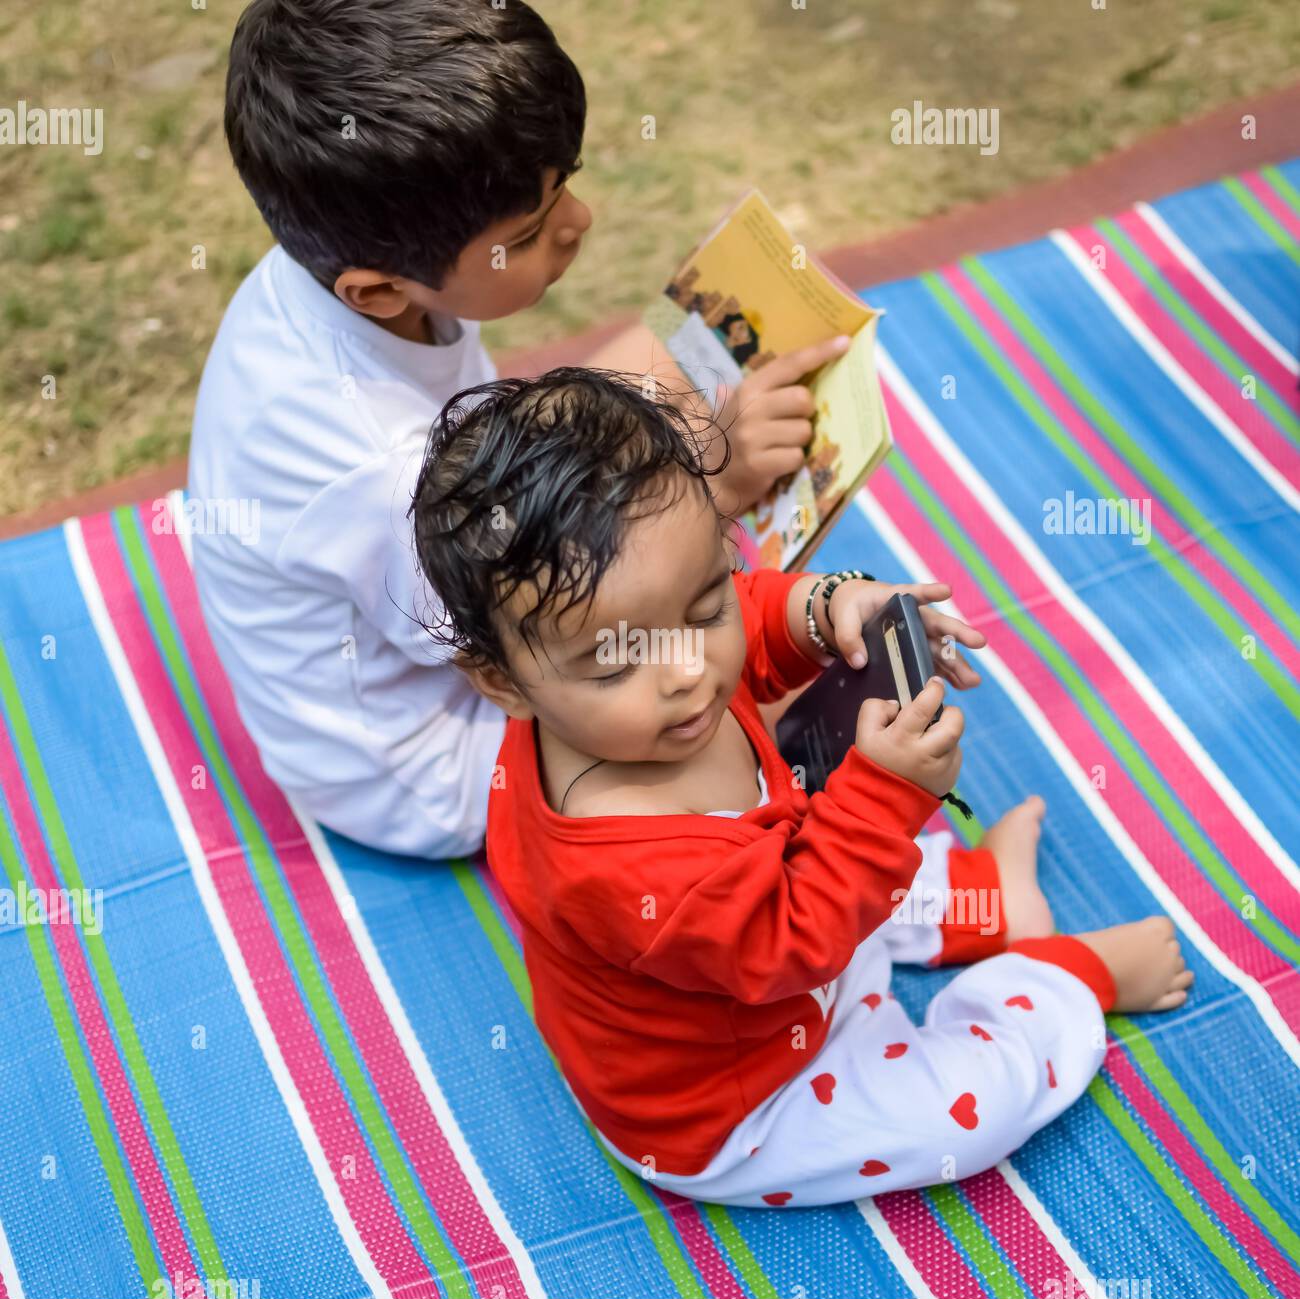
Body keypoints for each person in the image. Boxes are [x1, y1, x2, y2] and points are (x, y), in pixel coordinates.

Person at [408, 366, 1194, 1206]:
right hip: (743, 1094)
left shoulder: (625, 665)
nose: (689, 671)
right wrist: (890, 795)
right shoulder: (622, 863)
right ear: (501, 683)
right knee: (958, 1118)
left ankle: (985, 895)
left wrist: (825, 608)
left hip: (779, 915)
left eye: (701, 605)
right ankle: (1061, 982)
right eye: (617, 659)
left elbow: (751, 607)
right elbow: (796, 937)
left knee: (854, 849)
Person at [188, 0, 845, 856]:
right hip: (431, 761)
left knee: (692, 382)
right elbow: (551, 610)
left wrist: (695, 365)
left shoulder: (356, 273)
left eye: (563, 185)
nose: (581, 222)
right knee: (733, 700)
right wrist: (715, 483)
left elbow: (518, 449)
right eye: (532, 231)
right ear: (381, 290)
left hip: (479, 579)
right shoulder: (371, 461)